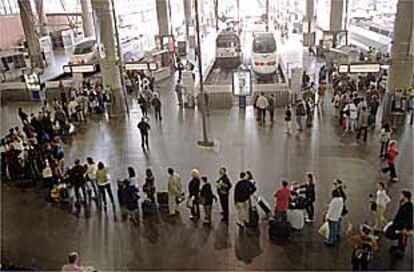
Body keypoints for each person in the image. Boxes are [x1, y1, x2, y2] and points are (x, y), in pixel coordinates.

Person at [386, 190, 413, 257]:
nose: (400, 196)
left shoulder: (409, 208)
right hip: (398, 223)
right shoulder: (402, 202)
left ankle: (401, 250)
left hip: (403, 226)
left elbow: (408, 219)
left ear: (405, 197)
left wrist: (405, 228)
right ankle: (399, 247)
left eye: (401, 195)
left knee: (402, 237)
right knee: (399, 236)